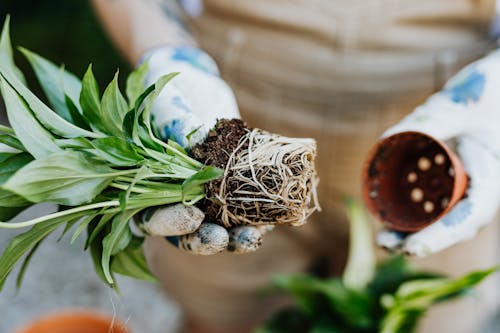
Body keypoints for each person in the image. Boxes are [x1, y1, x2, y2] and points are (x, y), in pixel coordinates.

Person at [92, 1, 500, 332]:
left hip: (442, 133)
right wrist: (164, 56)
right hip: (231, 98)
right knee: (224, 315)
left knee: (420, 317)